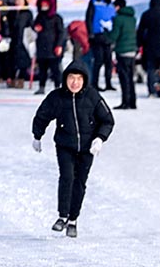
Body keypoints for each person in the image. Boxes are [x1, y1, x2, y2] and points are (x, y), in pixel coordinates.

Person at [31, 59, 115, 238]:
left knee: (80, 182)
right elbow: (42, 115)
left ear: (84, 80)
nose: (75, 82)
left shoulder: (92, 97)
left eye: (79, 78)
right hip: (65, 145)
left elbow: (107, 120)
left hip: (87, 148)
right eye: (71, 78)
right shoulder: (57, 97)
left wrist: (99, 139)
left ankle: (73, 220)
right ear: (65, 79)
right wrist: (37, 136)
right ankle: (62, 216)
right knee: (67, 177)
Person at [106, 0, 137, 109]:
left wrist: (107, 35)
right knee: (130, 77)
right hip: (132, 50)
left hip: (122, 51)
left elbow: (114, 35)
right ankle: (132, 102)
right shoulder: (132, 19)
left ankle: (125, 102)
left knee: (124, 78)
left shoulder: (118, 19)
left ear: (118, 7)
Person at [33, 0, 65, 95]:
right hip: (41, 47)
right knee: (42, 69)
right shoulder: (39, 16)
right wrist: (36, 27)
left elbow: (61, 32)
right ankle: (41, 86)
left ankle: (58, 87)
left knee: (55, 69)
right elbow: (34, 25)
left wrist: (59, 45)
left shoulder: (57, 18)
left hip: (53, 47)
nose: (44, 7)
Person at [85, 0, 115, 91]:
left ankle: (108, 83)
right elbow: (89, 17)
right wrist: (90, 33)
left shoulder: (111, 4)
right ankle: (94, 83)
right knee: (98, 61)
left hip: (108, 35)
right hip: (97, 35)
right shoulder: (94, 1)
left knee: (108, 61)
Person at [9, 0, 33, 89]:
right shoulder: (11, 12)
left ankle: (21, 79)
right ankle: (12, 79)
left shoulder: (27, 13)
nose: (18, 2)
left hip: (24, 39)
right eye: (17, 0)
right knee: (11, 60)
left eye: (20, 0)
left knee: (23, 61)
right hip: (13, 39)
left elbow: (31, 25)